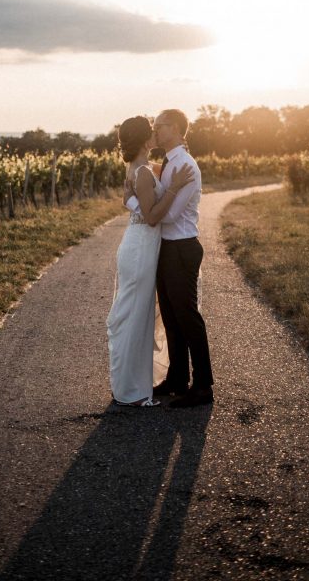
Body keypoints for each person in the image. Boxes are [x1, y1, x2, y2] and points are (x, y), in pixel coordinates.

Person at [125, 109, 214, 408]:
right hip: (167, 247)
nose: (155, 130)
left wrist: (145, 208)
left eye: (159, 126)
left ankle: (203, 385)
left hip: (181, 246)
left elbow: (172, 215)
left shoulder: (185, 166)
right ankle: (177, 378)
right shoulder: (169, 162)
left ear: (175, 128)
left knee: (188, 317)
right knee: (172, 319)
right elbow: (143, 180)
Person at [107, 116, 194, 407]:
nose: (156, 133)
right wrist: (174, 187)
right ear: (146, 140)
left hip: (137, 247)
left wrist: (168, 176)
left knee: (133, 313)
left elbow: (127, 200)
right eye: (152, 130)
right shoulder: (143, 172)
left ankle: (128, 384)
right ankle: (132, 391)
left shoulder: (140, 169)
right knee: (136, 316)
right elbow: (153, 217)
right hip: (141, 250)